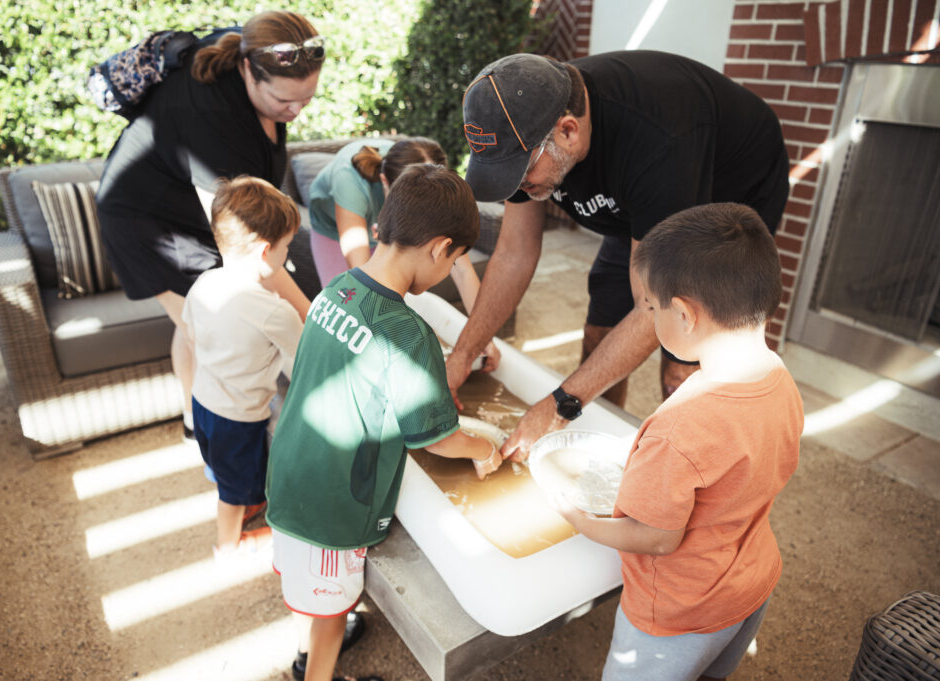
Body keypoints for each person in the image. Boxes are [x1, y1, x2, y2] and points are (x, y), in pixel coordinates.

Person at [449, 51, 791, 459]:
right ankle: (595, 450)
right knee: (601, 333)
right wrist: (462, 354)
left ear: (568, 132)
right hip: (638, 202)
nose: (516, 186)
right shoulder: (536, 116)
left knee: (684, 365)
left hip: (729, 191)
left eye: (520, 173)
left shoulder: (657, 141)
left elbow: (651, 308)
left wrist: (559, 405)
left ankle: (686, 471)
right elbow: (514, 253)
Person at [265, 163, 503, 681]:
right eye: (456, 260)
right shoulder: (407, 332)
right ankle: (317, 672)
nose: (449, 271)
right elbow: (438, 439)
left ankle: (316, 646)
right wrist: (486, 449)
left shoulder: (333, 292)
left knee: (315, 600)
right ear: (442, 248)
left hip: (291, 473)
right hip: (329, 508)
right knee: (328, 617)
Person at [549, 203, 802, 681]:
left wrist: (579, 519)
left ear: (684, 314)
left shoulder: (680, 426)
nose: (647, 313)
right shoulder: (779, 380)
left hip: (679, 617)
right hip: (750, 586)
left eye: (648, 306)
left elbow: (656, 538)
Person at [96, 10, 325, 442]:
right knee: (207, 325)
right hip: (145, 219)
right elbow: (249, 249)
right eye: (284, 102)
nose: (295, 112)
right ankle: (212, 432)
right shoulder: (211, 116)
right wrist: (311, 319)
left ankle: (194, 421)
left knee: (197, 324)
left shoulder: (257, 51)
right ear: (247, 72)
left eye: (307, 100)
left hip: (195, 206)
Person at [180, 176, 302, 557]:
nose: (287, 255)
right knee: (233, 493)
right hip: (239, 418)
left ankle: (242, 497)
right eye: (286, 247)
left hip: (203, 402)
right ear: (266, 250)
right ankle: (228, 546)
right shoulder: (274, 312)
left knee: (223, 469)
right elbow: (306, 363)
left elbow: (190, 336)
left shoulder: (204, 283)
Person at [306, 137, 500, 369]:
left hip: (387, 227)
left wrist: (482, 337)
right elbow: (363, 282)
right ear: (385, 182)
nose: (421, 211)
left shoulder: (427, 183)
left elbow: (463, 270)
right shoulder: (349, 181)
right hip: (333, 229)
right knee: (351, 310)